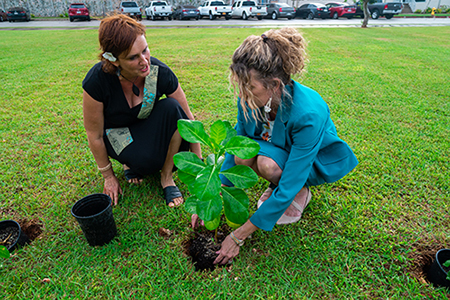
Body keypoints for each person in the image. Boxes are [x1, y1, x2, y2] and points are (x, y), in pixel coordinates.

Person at [199, 27, 358, 264]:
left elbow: (293, 174)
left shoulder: (307, 115)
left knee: (268, 166)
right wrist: (209, 199)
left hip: (311, 161)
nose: (242, 95)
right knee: (244, 158)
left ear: (274, 85)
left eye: (250, 87)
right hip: (277, 146)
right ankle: (279, 184)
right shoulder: (249, 99)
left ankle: (302, 192)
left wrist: (238, 235)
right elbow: (238, 147)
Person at [82, 15, 201, 207]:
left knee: (173, 108)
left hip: (146, 125)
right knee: (145, 164)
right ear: (114, 61)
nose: (145, 61)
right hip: (116, 134)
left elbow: (188, 118)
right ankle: (129, 163)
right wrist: (108, 176)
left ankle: (166, 177)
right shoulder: (97, 81)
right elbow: (94, 135)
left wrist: (199, 161)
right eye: (133, 57)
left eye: (145, 50)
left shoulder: (158, 71)